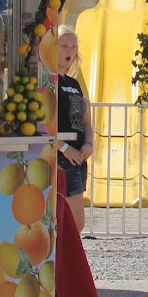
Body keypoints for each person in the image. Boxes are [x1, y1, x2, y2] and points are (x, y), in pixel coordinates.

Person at [53, 26, 94, 233]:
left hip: (78, 156)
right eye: (64, 46)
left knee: (75, 223)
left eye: (73, 47)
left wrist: (89, 143)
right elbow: (44, 124)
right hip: (60, 155)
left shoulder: (74, 83)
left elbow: (86, 121)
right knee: (70, 222)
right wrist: (63, 148)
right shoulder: (47, 83)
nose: (70, 51)